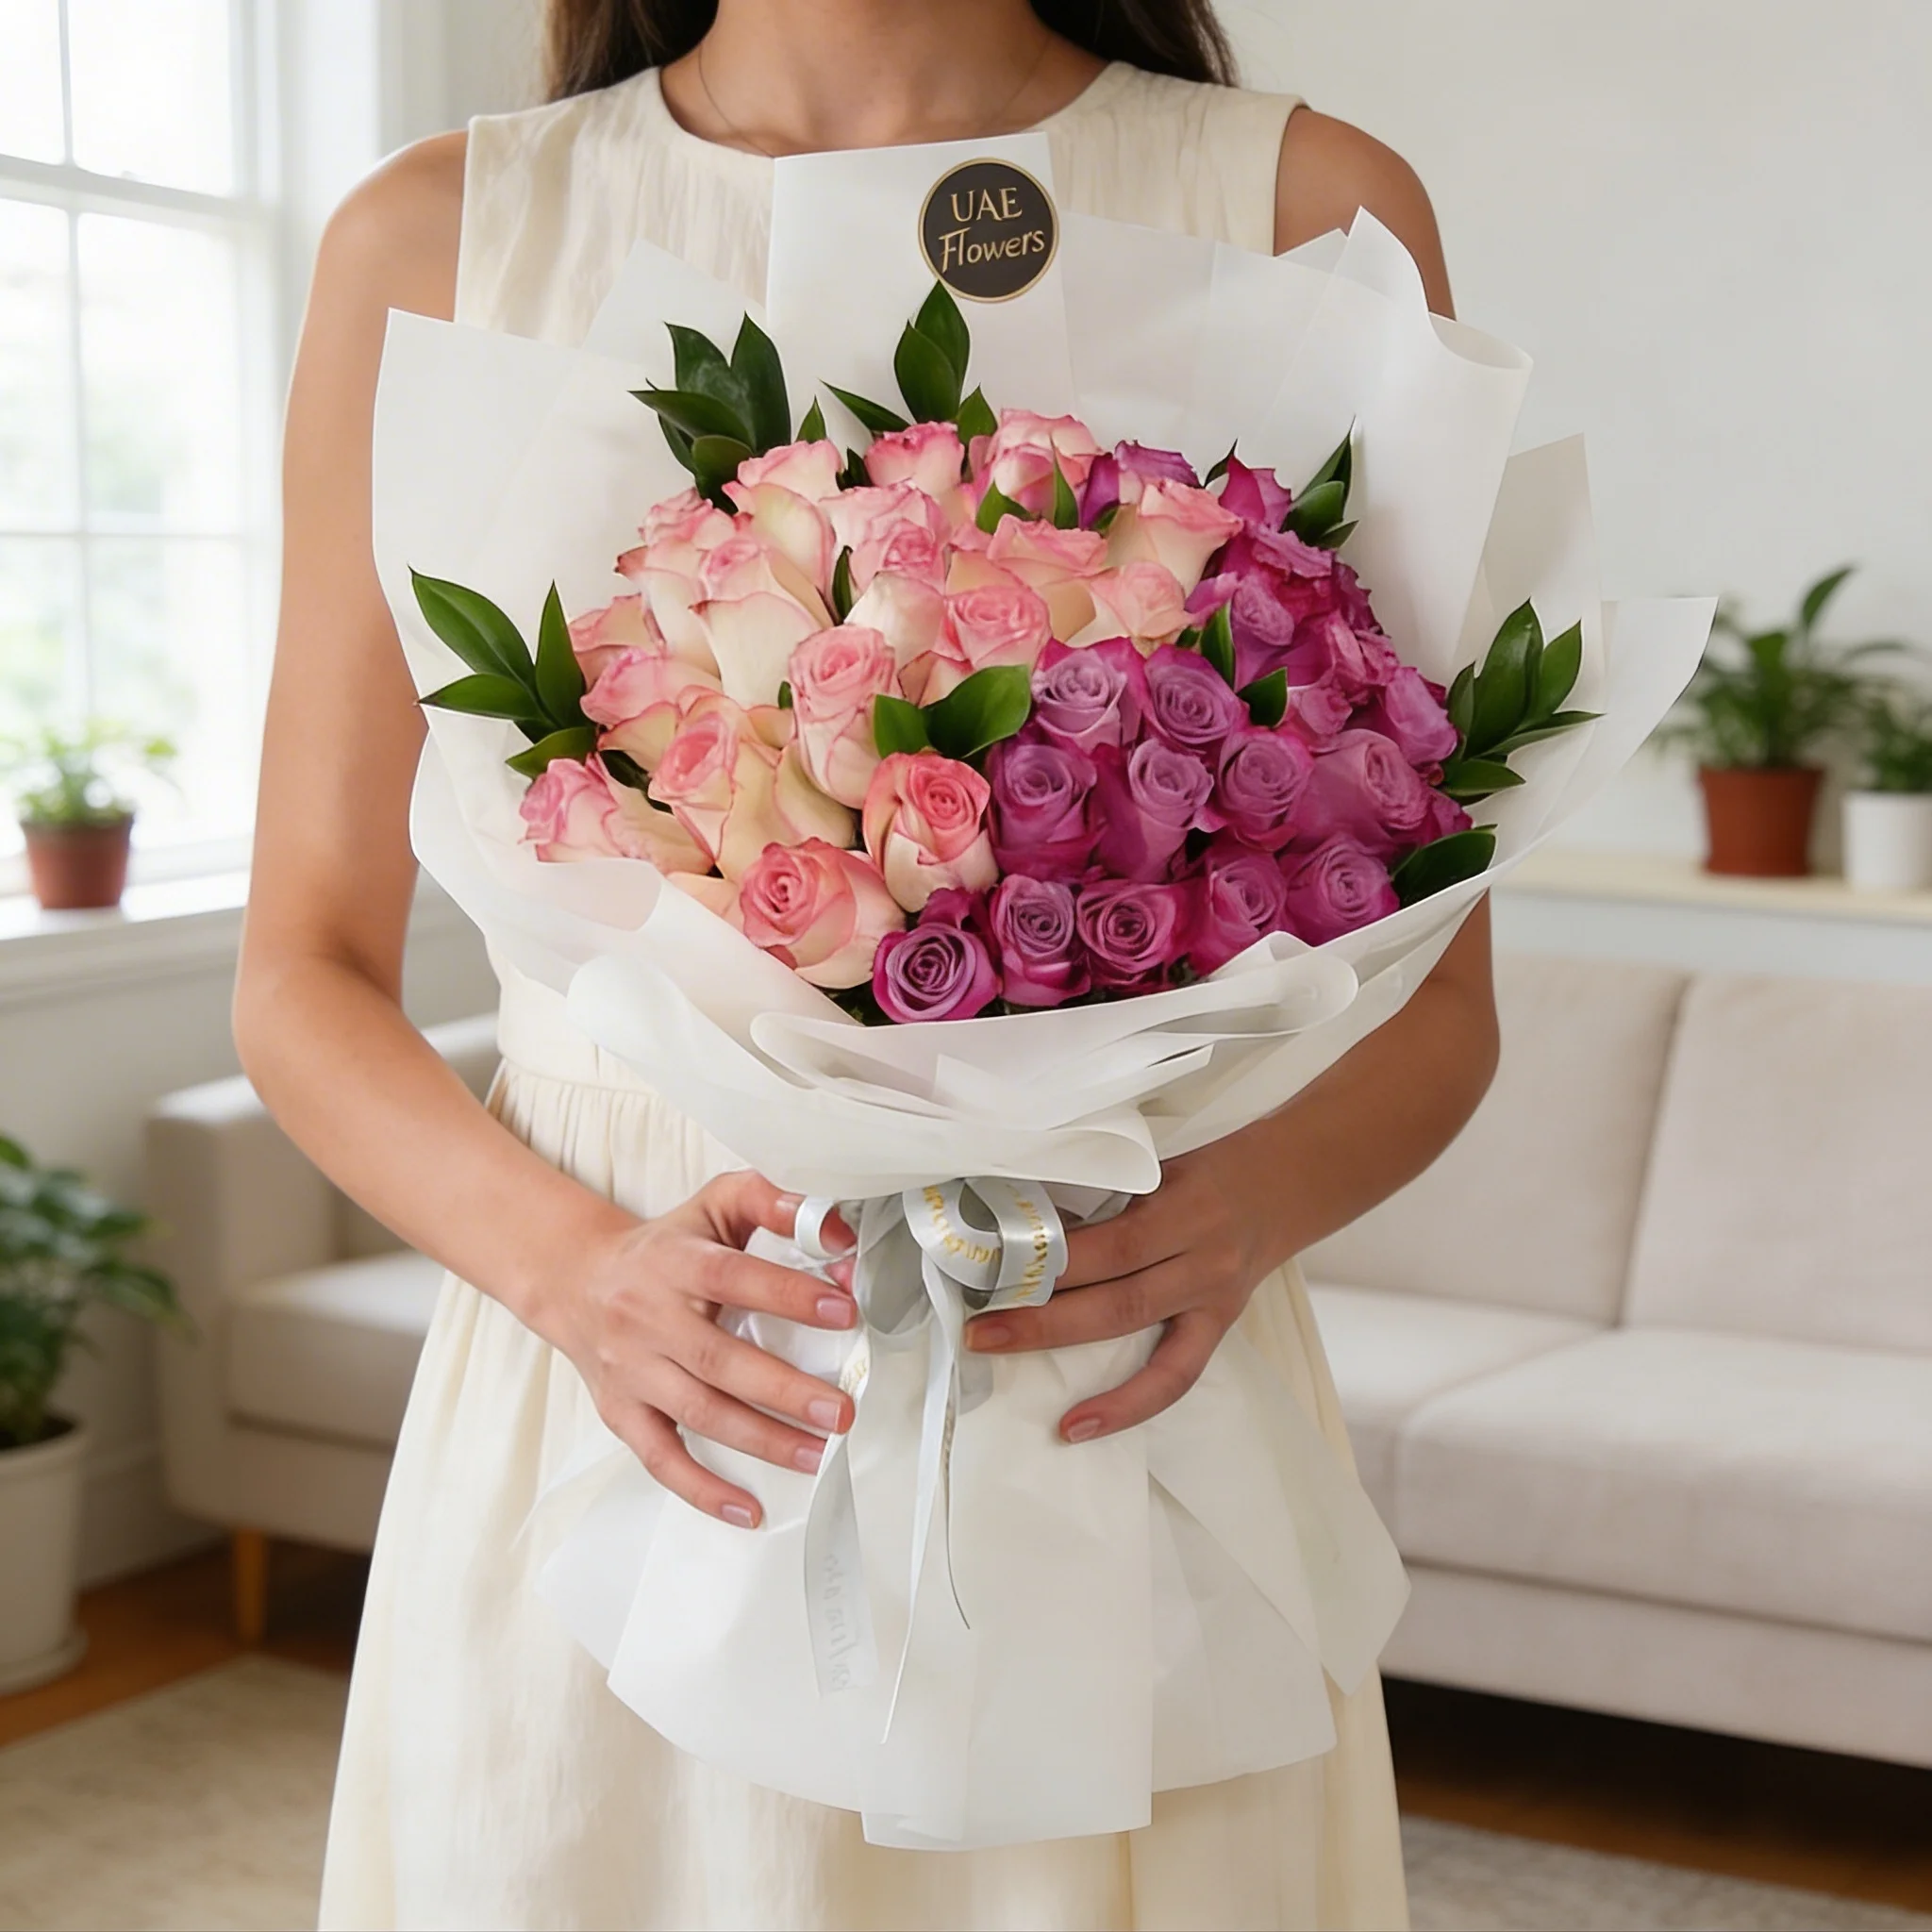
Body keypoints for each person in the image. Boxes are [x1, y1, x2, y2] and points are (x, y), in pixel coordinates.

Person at [243, 2, 1496, 1924]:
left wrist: (1239, 1210)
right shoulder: (441, 234)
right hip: (633, 1373)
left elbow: (1447, 1008)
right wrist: (579, 1276)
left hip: (1108, 1372)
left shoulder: (1303, 206)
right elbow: (303, 974)